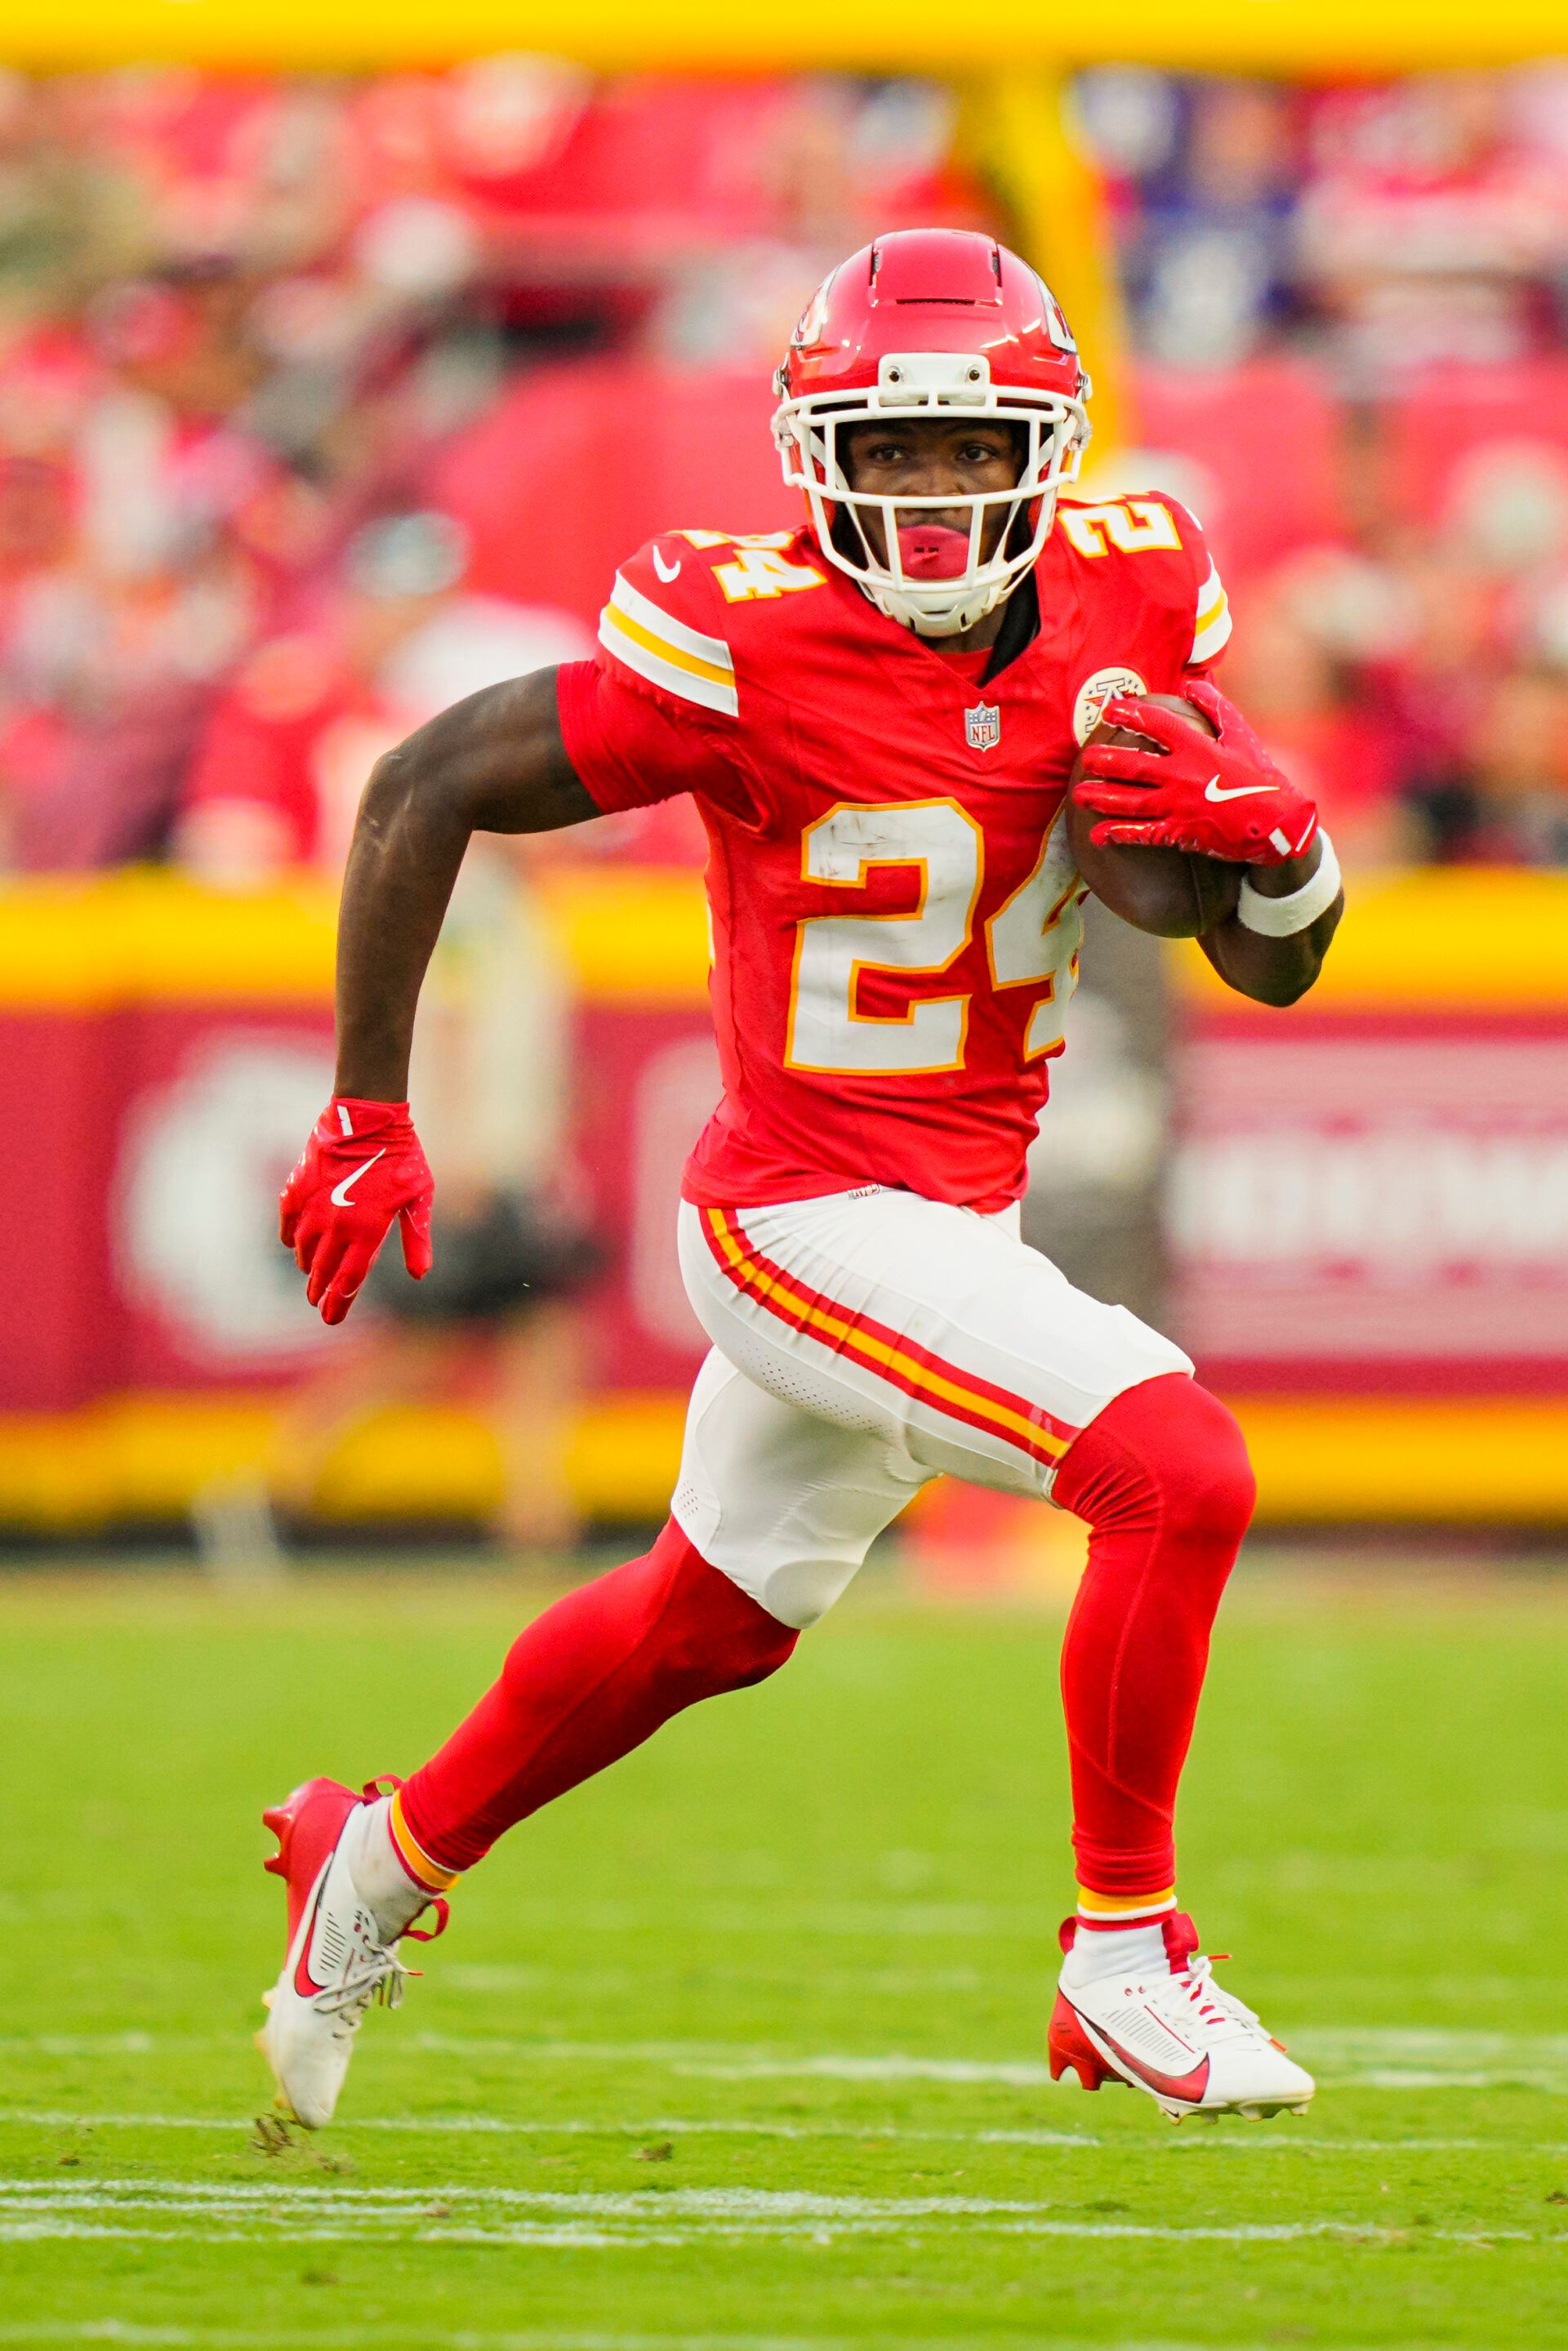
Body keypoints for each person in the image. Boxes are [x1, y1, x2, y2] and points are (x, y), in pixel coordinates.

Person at [262, 229, 1343, 2131]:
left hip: (953, 1211)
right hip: (799, 1211)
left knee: (708, 1623)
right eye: (892, 450)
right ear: (813, 451)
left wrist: (1292, 860)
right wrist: (369, 1107)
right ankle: (1127, 1954)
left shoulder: (1131, 591)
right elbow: (423, 784)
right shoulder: (742, 635)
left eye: (968, 447)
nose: (931, 493)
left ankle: (375, 1859)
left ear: (1051, 443)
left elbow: (1232, 939)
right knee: (1177, 1470)